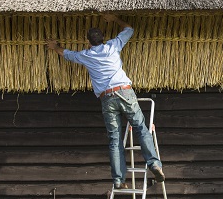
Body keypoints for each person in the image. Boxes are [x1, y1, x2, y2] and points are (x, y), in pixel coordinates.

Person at [47, 14, 165, 189]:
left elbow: (66, 53)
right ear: (103, 39)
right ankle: (154, 163)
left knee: (115, 138)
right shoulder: (112, 46)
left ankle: (118, 179)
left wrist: (54, 46)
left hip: (107, 98)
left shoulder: (85, 55)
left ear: (88, 42)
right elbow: (129, 29)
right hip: (125, 92)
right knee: (141, 127)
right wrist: (115, 19)